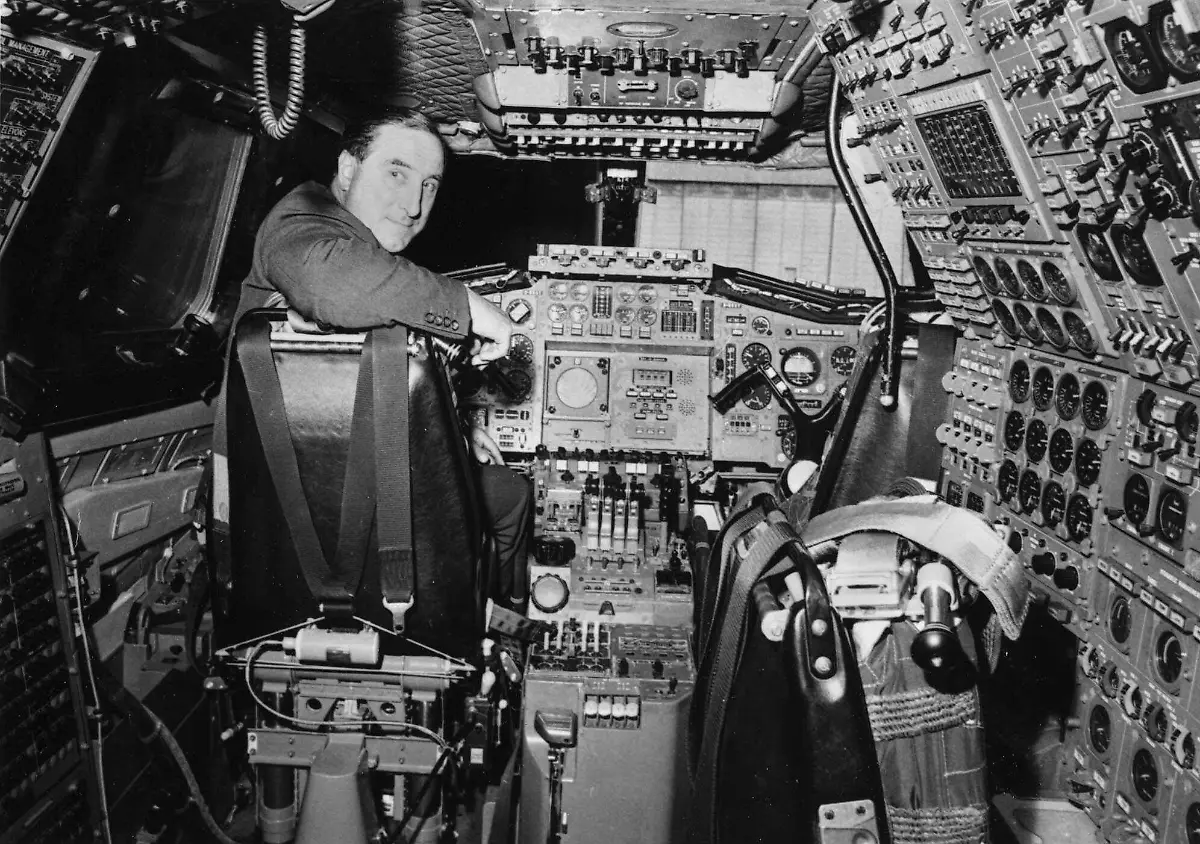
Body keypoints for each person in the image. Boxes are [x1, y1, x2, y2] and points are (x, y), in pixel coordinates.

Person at [220, 106, 532, 608]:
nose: (413, 204)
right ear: (347, 169)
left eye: (429, 185)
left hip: (340, 468)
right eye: (396, 173)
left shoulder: (368, 252)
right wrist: (469, 307)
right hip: (304, 492)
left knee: (501, 489)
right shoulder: (303, 219)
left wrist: (450, 428)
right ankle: (501, 614)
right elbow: (331, 282)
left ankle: (498, 617)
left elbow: (373, 372)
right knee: (511, 496)